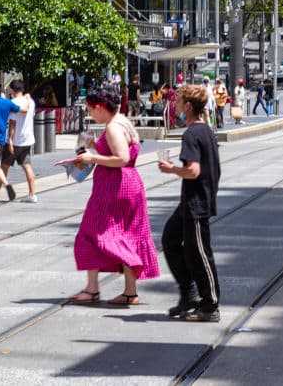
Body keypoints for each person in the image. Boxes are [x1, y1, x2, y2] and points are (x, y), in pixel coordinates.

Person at [68, 87, 160, 305]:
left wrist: (92, 159)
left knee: (90, 233)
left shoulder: (112, 128)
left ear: (100, 107)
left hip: (114, 188)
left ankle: (92, 290)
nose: (91, 114)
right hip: (131, 185)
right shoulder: (124, 122)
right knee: (128, 234)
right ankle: (130, 292)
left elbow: (121, 158)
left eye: (91, 109)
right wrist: (93, 145)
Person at [158, 83, 222, 322]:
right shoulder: (206, 130)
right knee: (170, 239)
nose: (174, 105)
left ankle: (210, 304)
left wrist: (170, 169)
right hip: (191, 202)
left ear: (187, 106)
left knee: (200, 253)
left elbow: (193, 171)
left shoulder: (192, 134)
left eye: (177, 101)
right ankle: (188, 294)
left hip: (196, 203)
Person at [0, 80, 38, 203]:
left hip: (15, 141)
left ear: (12, 90)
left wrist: (9, 139)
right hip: (27, 139)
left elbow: (12, 123)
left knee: (3, 167)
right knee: (27, 166)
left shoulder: (13, 103)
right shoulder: (30, 101)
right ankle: (32, 194)